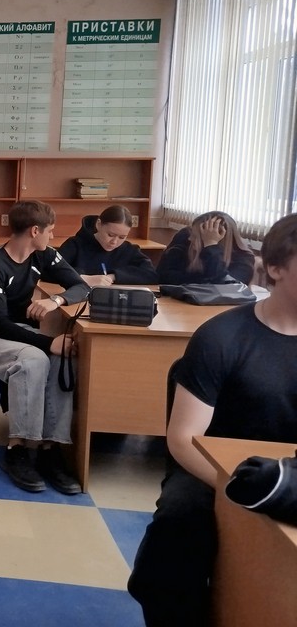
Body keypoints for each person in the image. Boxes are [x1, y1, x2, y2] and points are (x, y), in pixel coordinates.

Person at [128, 213, 297, 627]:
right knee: (179, 521)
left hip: (288, 472)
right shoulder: (222, 337)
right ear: (276, 268)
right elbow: (184, 439)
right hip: (213, 470)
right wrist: (237, 487)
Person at [0, 200, 91, 495]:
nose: (52, 236)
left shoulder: (44, 255)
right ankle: (18, 448)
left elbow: (82, 287)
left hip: (18, 331)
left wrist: (55, 301)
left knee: (65, 358)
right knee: (35, 359)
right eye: (50, 231)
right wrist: (49, 342)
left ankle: (50, 447)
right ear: (35, 231)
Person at [57, 204, 158, 286]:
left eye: (122, 237)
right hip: (78, 300)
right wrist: (81, 277)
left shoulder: (128, 250)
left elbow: (151, 274)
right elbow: (52, 270)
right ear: (98, 224)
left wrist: (114, 276)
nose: (114, 242)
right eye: (110, 235)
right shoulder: (75, 245)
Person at [156, 210, 255, 285]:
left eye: (195, 236)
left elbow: (225, 287)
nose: (190, 238)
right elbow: (163, 276)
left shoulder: (244, 258)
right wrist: (205, 280)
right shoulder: (184, 240)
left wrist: (211, 246)